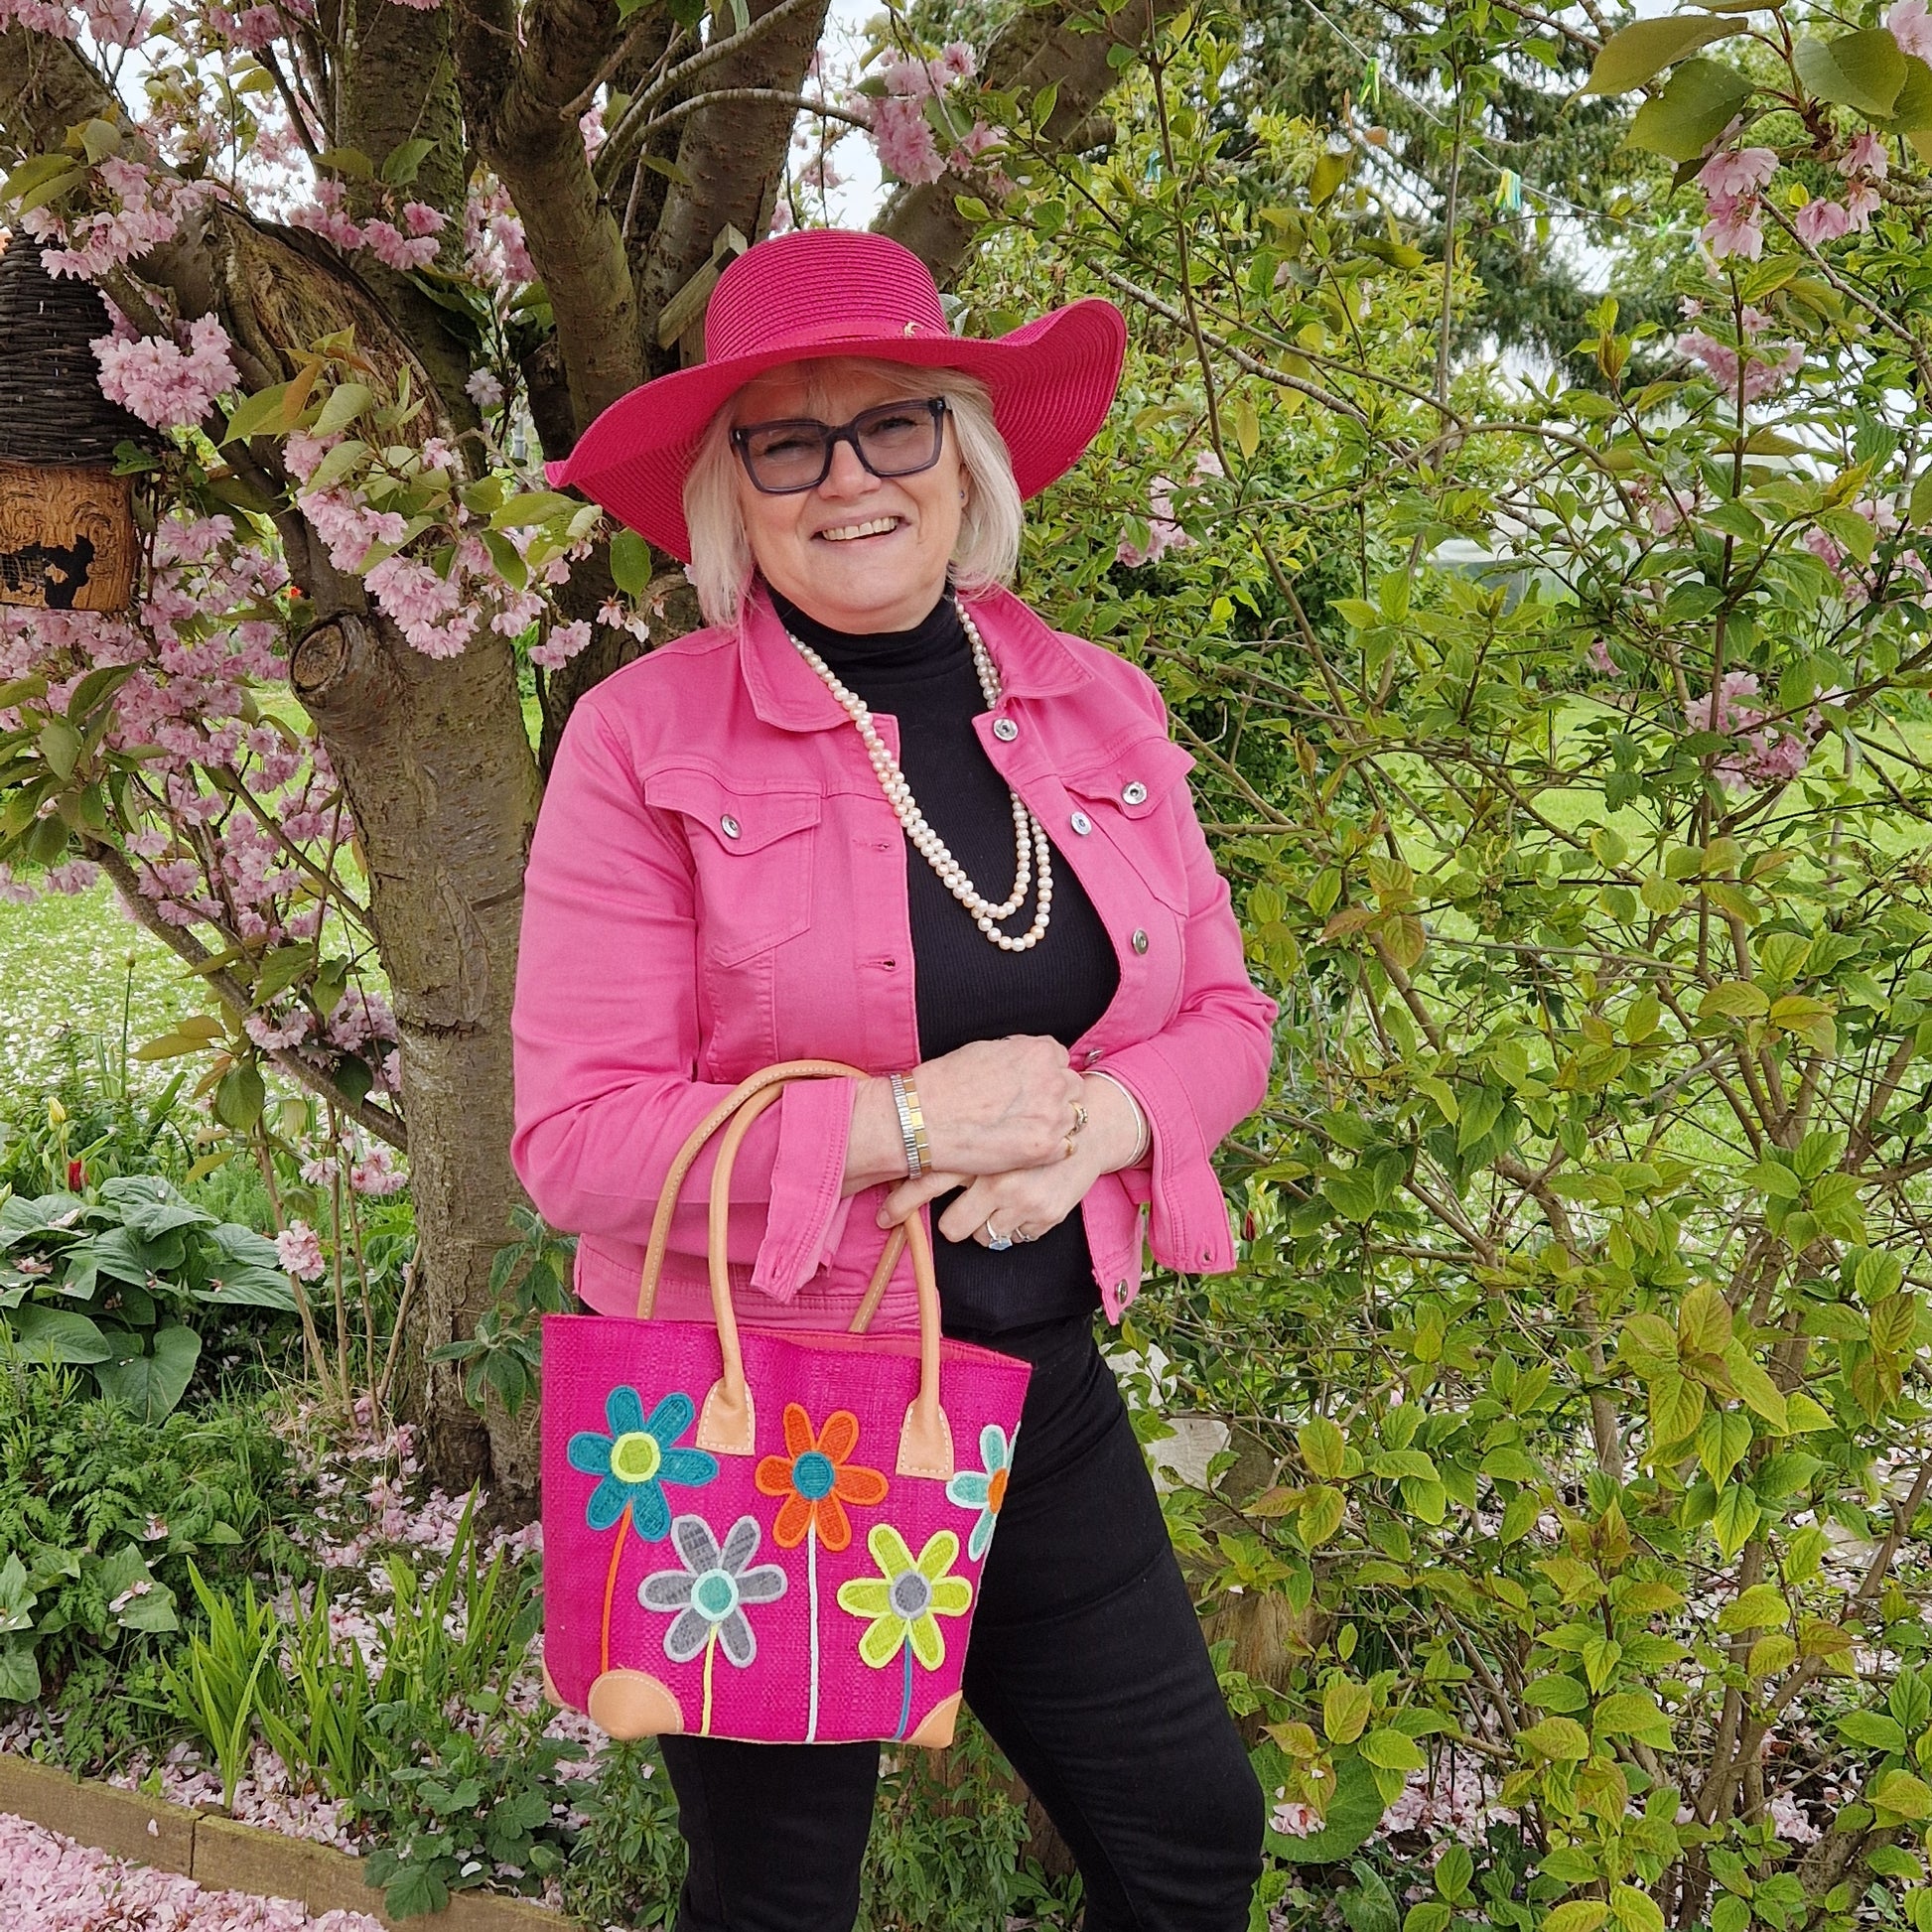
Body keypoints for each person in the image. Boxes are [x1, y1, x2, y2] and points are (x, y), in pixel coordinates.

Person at [511, 228, 1277, 1932]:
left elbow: (1225, 1014)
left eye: (894, 427)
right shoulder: (643, 739)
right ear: (732, 490)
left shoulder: (1099, 704)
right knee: (782, 1895)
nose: (848, 478)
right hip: (756, 1394)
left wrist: (1102, 1124)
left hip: (1034, 1383)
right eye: (789, 441)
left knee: (1186, 1835)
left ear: (964, 452)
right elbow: (574, 1143)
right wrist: (916, 1123)